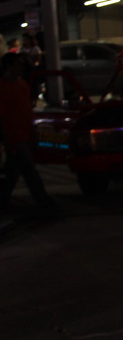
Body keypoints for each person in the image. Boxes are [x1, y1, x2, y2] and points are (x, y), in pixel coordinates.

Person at [0, 52, 58, 224]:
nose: (21, 67)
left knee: (13, 174)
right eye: (17, 64)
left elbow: (26, 111)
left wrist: (32, 132)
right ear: (9, 67)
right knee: (29, 173)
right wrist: (7, 139)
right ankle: (44, 203)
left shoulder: (21, 85)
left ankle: (4, 202)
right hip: (15, 137)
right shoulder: (3, 87)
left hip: (21, 135)